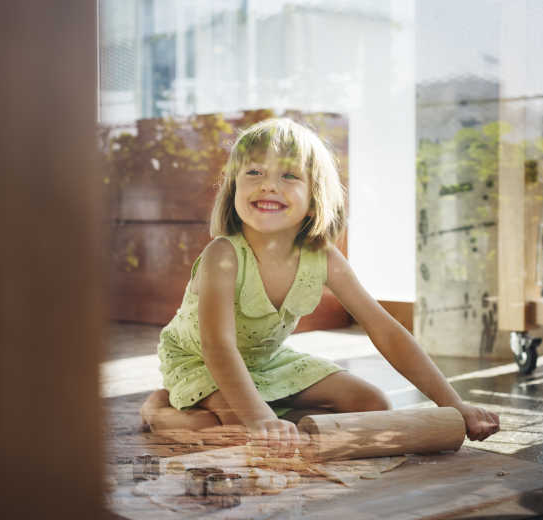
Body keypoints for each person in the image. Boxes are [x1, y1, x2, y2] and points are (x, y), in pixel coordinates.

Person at [140, 118, 499, 454]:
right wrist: (260, 418)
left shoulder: (323, 258)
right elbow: (217, 346)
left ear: (314, 200)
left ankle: (263, 412)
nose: (269, 184)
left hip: (267, 361)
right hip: (199, 359)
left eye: (289, 175)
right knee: (238, 431)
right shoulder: (223, 255)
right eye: (254, 172)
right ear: (235, 187)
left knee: (373, 405)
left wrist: (454, 404)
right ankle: (158, 408)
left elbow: (385, 330)